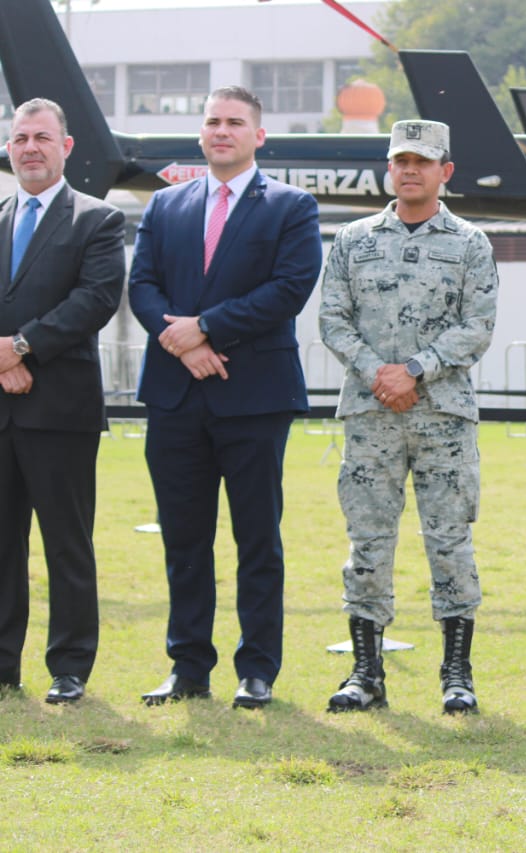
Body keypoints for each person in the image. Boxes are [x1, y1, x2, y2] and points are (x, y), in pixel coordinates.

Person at [129, 86, 322, 709]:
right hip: (175, 396)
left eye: (235, 122)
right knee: (184, 539)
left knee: (256, 538)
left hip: (254, 398)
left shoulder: (291, 206)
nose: (221, 131)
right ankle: (188, 667)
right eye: (212, 121)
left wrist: (207, 327)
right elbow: (144, 286)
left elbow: (289, 288)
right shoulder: (165, 205)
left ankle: (257, 668)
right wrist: (182, 343)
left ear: (258, 135)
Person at [319, 120, 498, 715]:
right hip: (371, 413)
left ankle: (456, 673)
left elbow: (478, 327)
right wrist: (379, 372)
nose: (410, 170)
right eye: (401, 160)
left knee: (450, 541)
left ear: (445, 171)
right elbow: (333, 319)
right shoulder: (352, 240)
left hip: (442, 416)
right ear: (388, 169)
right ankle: (365, 672)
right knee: (368, 541)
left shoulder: (471, 243)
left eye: (423, 161)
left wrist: (415, 370)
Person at [0, 98, 125, 704]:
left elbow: (96, 299)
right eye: (20, 137)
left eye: (41, 137)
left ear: (65, 147)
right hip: (0, 405)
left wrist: (22, 349)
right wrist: (4, 364)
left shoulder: (96, 219)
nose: (30, 147)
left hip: (61, 411)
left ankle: (70, 666)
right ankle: (3, 665)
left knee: (66, 543)